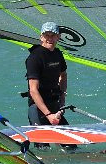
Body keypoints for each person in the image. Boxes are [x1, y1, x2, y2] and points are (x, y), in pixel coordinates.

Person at [25, 21, 75, 150]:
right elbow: (33, 90)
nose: (50, 38)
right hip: (38, 108)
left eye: (53, 35)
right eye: (47, 35)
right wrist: (48, 115)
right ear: (41, 37)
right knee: (43, 149)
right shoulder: (35, 58)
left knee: (71, 145)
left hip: (54, 105)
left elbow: (63, 75)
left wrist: (62, 100)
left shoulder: (58, 54)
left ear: (58, 37)